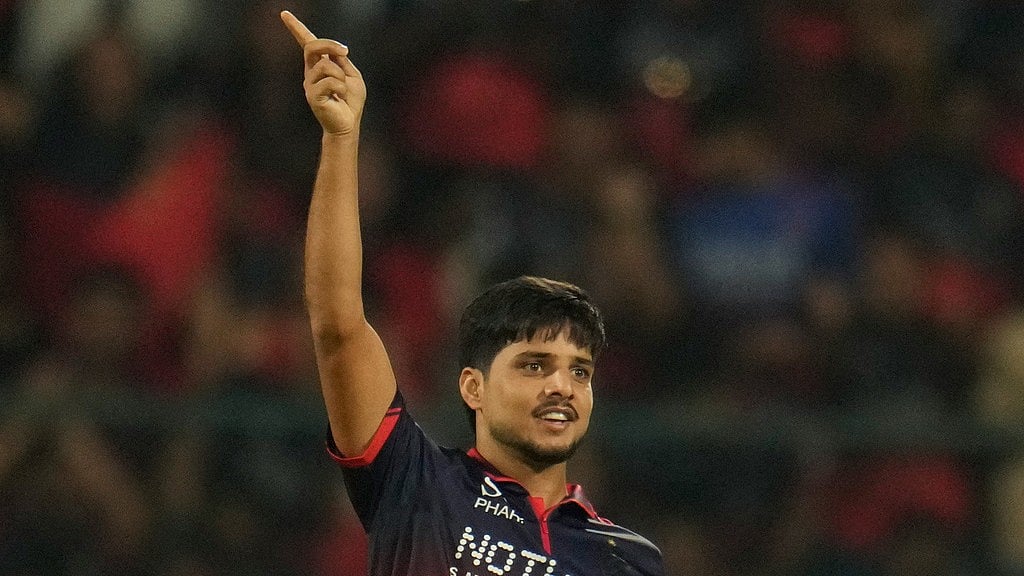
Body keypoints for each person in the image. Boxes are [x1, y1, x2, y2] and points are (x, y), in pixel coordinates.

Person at [281, 11, 665, 575]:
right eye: (534, 365)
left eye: (579, 371)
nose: (562, 387)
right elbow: (339, 327)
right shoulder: (416, 482)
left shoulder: (629, 558)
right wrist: (341, 138)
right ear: (473, 387)